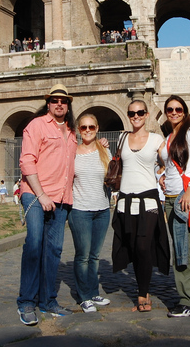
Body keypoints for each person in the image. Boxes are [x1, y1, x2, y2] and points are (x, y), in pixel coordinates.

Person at [16, 84, 78, 325]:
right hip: (35, 193)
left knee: (53, 250)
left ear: (68, 104)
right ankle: (27, 303)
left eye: (63, 100)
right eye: (54, 100)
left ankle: (48, 300)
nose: (59, 104)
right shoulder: (37, 125)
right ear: (48, 103)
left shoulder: (72, 132)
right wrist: (41, 194)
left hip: (61, 197)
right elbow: (27, 162)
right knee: (34, 244)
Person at [112, 99, 169, 314]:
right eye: (132, 113)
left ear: (146, 115)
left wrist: (162, 175)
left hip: (149, 201)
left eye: (140, 113)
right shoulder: (122, 137)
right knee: (134, 247)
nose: (135, 116)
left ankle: (143, 293)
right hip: (126, 201)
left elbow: (168, 160)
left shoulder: (156, 139)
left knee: (144, 246)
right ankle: (141, 287)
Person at [159, 95, 190, 317]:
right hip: (169, 196)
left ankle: (188, 301)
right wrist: (162, 177)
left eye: (179, 109)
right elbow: (170, 165)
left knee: (181, 250)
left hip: (182, 198)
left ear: (185, 112)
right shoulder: (170, 136)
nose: (174, 112)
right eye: (170, 109)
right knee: (185, 248)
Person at [68, 113, 112, 313]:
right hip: (80, 210)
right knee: (83, 255)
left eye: (91, 127)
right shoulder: (72, 152)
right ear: (78, 130)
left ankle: (93, 291)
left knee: (95, 255)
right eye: (83, 127)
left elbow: (111, 176)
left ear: (97, 128)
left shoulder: (104, 151)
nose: (87, 131)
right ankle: (83, 295)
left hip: (102, 209)